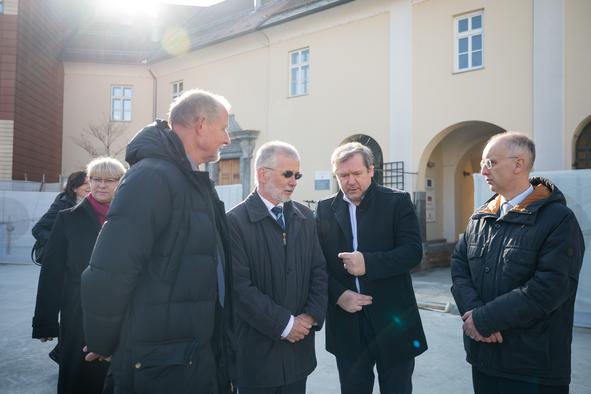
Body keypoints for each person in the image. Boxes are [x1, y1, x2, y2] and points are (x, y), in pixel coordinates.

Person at [80, 89, 234, 394]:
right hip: (160, 362)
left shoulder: (192, 180)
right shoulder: (152, 177)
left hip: (189, 354)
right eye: (224, 128)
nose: (228, 139)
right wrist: (104, 340)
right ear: (201, 125)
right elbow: (110, 271)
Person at [451, 132, 585, 394]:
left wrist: (485, 319)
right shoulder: (480, 217)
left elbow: (550, 288)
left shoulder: (558, 220)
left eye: (490, 162)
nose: (482, 170)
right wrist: (475, 317)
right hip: (484, 358)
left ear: (519, 164)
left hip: (533, 368)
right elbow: (459, 268)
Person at [316, 142, 427, 394]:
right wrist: (338, 295)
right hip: (346, 323)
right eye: (343, 175)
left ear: (371, 171)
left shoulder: (397, 201)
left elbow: (413, 253)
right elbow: (318, 265)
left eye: (357, 173)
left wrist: (368, 263)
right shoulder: (324, 209)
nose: (350, 181)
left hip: (393, 320)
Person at [227, 141, 327, 394]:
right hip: (256, 358)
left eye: (297, 175)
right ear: (263, 173)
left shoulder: (305, 217)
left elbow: (319, 270)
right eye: (287, 174)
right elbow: (238, 287)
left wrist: (310, 316)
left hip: (298, 354)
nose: (294, 181)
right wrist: (284, 324)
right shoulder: (234, 222)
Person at [32, 157, 126, 394]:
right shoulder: (67, 218)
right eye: (95, 179)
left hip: (123, 310)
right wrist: (46, 322)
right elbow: (52, 272)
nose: (101, 185)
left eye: (109, 180)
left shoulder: (131, 219)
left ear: (120, 183)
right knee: (79, 375)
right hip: (78, 309)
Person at [31, 170, 90, 363]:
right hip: (63, 266)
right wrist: (60, 245)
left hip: (80, 267)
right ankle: (62, 353)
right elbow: (38, 228)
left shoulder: (90, 204)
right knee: (71, 312)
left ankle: (60, 352)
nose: (91, 187)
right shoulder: (63, 203)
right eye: (86, 184)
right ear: (74, 187)